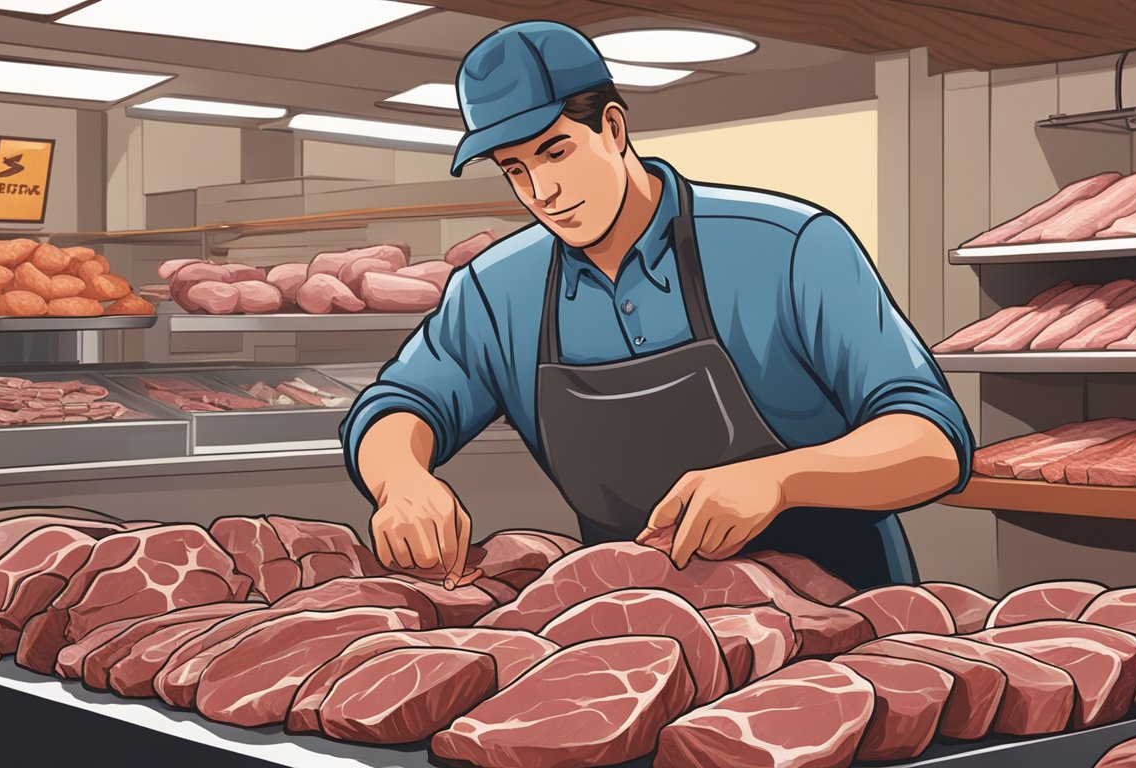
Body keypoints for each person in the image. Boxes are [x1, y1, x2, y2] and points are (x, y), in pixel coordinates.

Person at [340, 20, 974, 591]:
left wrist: (780, 480)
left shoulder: (788, 247)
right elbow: (400, 402)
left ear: (613, 128)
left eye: (556, 152)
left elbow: (932, 442)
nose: (543, 192)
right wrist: (402, 481)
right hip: (637, 639)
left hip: (839, 625)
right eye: (515, 170)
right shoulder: (498, 289)